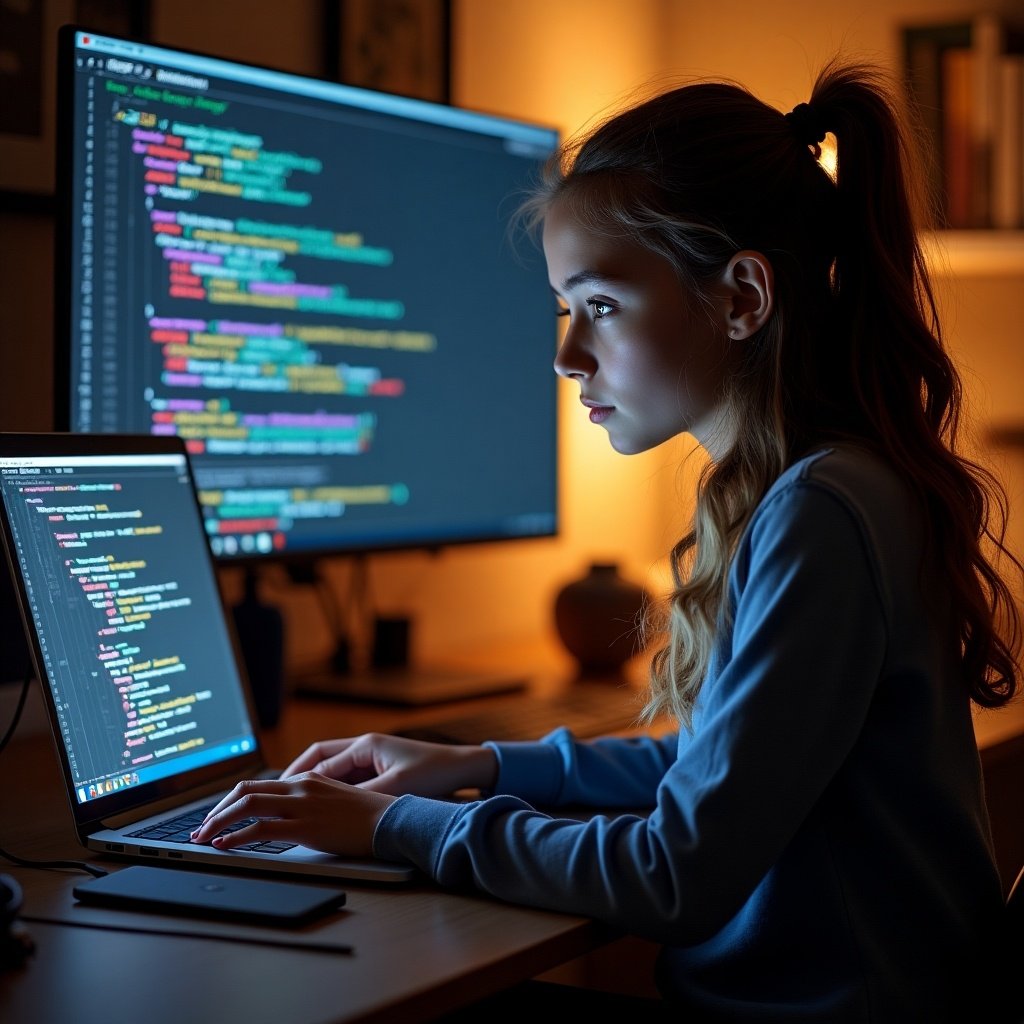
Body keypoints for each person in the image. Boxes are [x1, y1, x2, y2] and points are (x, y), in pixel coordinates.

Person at [192, 57, 1022, 1022]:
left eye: (600, 306)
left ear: (742, 297)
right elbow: (709, 774)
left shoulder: (822, 514)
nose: (564, 354)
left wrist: (394, 828)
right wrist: (480, 766)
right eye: (563, 309)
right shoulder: (822, 486)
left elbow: (678, 871)